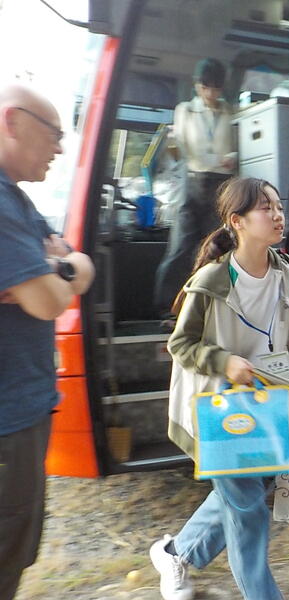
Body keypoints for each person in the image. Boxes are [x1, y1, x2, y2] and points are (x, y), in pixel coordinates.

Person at [149, 177, 289, 600]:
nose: (277, 215)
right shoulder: (212, 280)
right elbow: (180, 344)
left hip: (267, 404)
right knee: (249, 513)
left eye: (278, 206)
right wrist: (225, 362)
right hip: (220, 409)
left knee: (246, 495)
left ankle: (176, 553)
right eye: (265, 208)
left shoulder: (286, 271)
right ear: (237, 221)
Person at [0, 84, 95, 600]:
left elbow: (78, 264)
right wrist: (57, 268)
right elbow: (48, 301)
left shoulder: (16, 200)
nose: (60, 147)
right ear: (11, 122)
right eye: (53, 133)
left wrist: (54, 267)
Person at [154, 58, 237, 326]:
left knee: (217, 248)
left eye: (215, 87)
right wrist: (174, 148)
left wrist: (232, 157)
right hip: (193, 180)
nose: (210, 92)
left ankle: (210, 308)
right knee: (181, 246)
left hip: (221, 182)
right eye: (205, 87)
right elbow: (178, 146)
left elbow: (239, 146)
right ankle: (168, 308)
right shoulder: (186, 110)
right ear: (197, 85)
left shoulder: (230, 112)